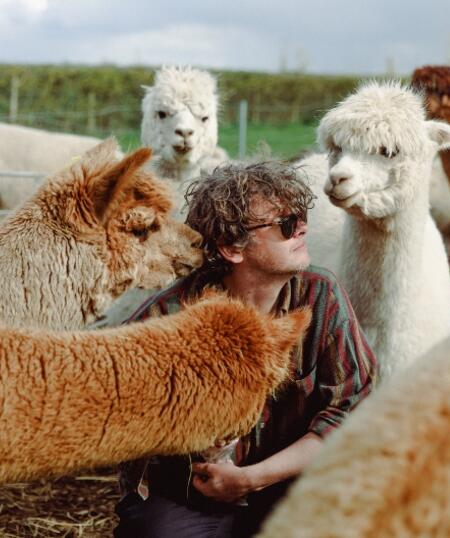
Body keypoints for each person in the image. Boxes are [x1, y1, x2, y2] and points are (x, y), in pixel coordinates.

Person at [96, 161, 378, 538]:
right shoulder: (167, 318)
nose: (303, 229)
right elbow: (115, 413)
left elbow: (351, 409)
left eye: (301, 217)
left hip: (291, 486)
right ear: (231, 247)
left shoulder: (320, 297)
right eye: (286, 225)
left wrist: (252, 478)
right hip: (188, 497)